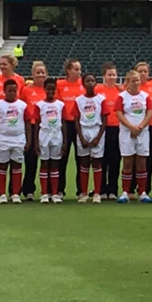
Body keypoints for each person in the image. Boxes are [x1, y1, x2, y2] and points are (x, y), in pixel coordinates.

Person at [0, 55, 26, 199]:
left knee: (16, 164)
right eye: (0, 64)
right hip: (0, 122)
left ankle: (14, 192)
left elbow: (22, 100)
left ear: (12, 65)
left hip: (15, 122)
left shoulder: (20, 80)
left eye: (5, 64)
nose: (2, 66)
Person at [0, 79, 32, 204]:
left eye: (14, 91)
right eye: (9, 91)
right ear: (4, 91)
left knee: (17, 165)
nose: (12, 93)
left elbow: (28, 123)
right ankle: (2, 194)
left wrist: (28, 141)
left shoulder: (22, 105)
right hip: (2, 139)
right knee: (2, 166)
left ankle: (15, 194)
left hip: (19, 139)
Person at [115, 70, 152, 203]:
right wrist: (131, 127)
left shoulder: (145, 96)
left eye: (137, 80)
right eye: (133, 81)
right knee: (127, 162)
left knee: (142, 163)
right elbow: (119, 114)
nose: (136, 83)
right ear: (127, 82)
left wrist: (140, 127)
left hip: (142, 132)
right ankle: (126, 192)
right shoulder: (122, 97)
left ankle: (142, 192)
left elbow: (150, 113)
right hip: (127, 133)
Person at [74, 73, 109, 204]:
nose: (90, 83)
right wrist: (81, 137)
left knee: (97, 162)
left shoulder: (101, 99)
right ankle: (83, 193)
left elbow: (105, 119)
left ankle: (97, 193)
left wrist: (98, 137)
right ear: (83, 84)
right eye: (87, 81)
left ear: (96, 83)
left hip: (96, 130)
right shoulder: (79, 100)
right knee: (83, 163)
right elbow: (76, 119)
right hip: (84, 130)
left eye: (92, 81)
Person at [34, 78, 67, 204]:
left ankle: (54, 193)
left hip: (56, 134)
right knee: (44, 163)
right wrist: (36, 142)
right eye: (48, 89)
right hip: (44, 134)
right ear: (44, 89)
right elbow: (37, 124)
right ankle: (44, 193)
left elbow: (63, 123)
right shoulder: (39, 105)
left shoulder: (60, 105)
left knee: (55, 164)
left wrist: (65, 142)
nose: (51, 91)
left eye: (53, 89)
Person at [21, 61, 50, 200]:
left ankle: (49, 190)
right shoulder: (26, 90)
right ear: (32, 74)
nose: (40, 75)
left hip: (47, 128)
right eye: (37, 72)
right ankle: (28, 190)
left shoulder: (50, 89)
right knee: (30, 160)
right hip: (31, 127)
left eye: (42, 72)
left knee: (48, 160)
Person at [56, 59, 85, 198]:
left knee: (81, 158)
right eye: (76, 69)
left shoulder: (83, 85)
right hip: (65, 125)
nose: (79, 72)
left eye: (80, 69)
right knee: (63, 158)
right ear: (68, 70)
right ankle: (59, 190)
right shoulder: (60, 85)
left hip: (80, 124)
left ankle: (81, 191)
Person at [95, 62, 122, 199]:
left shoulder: (120, 91)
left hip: (117, 128)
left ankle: (113, 189)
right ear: (104, 76)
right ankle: (101, 189)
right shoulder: (98, 90)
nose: (112, 77)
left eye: (114, 75)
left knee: (115, 160)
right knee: (102, 159)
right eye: (109, 75)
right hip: (102, 128)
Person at [134, 62, 152, 195]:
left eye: (145, 71)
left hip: (150, 126)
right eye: (140, 71)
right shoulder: (129, 87)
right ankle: (130, 188)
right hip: (134, 128)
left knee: (148, 159)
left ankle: (145, 189)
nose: (143, 74)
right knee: (132, 159)